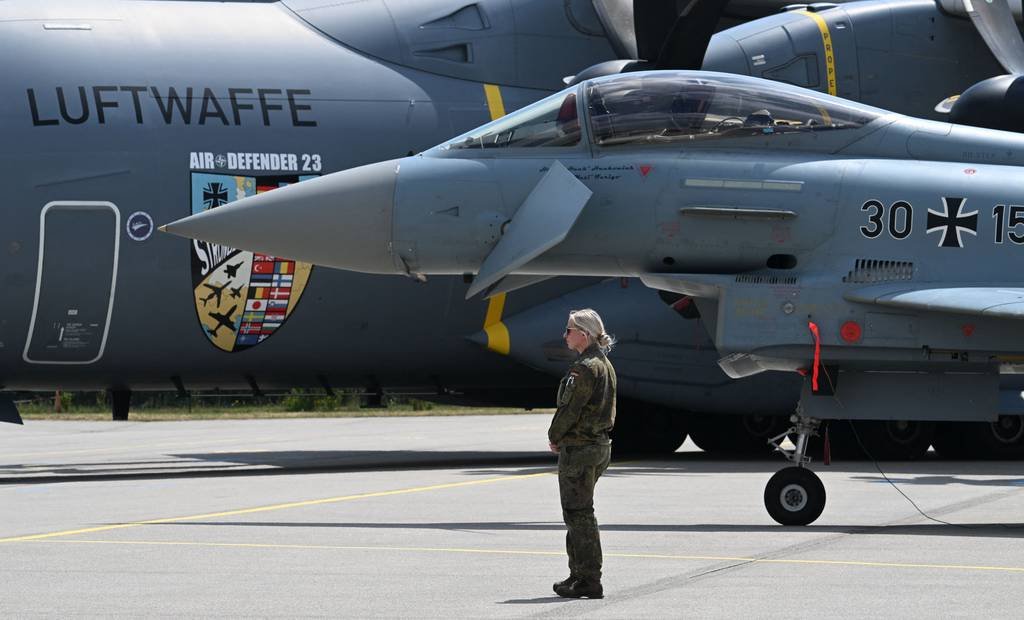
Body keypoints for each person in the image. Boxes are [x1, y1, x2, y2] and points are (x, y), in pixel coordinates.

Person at [548, 308, 617, 599]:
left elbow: (570, 409)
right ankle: (578, 575)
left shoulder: (585, 368)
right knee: (578, 512)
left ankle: (588, 578)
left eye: (569, 330)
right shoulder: (604, 364)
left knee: (578, 513)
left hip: (580, 448)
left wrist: (555, 436)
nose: (565, 335)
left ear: (584, 334)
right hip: (598, 446)